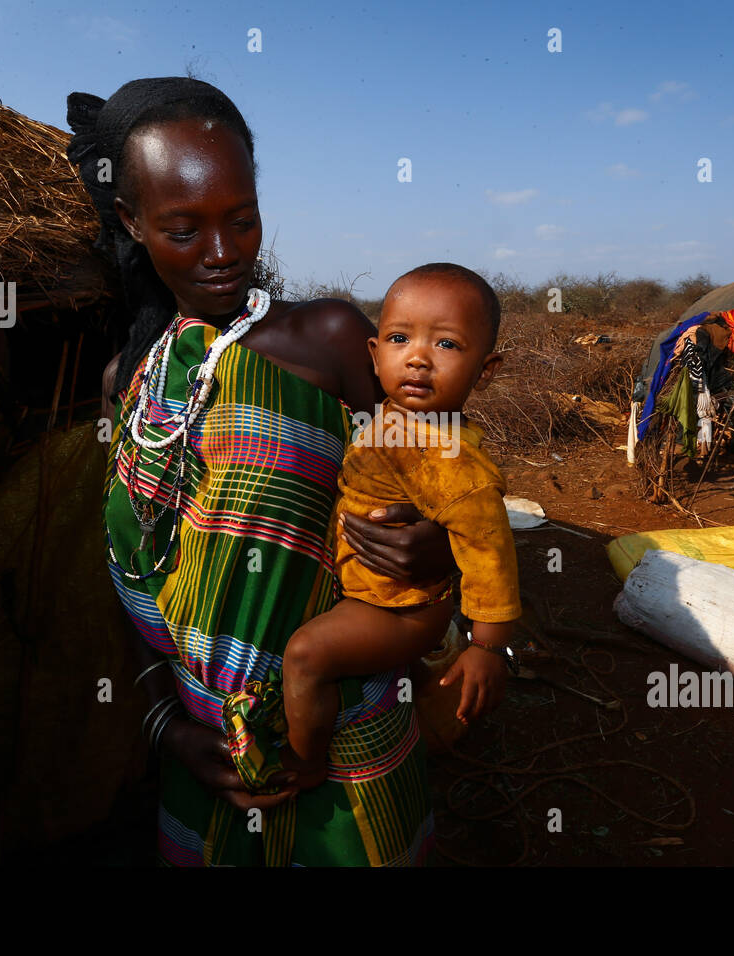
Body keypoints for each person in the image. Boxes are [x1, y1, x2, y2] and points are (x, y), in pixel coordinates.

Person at [67, 76, 454, 866]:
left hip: (349, 743)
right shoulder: (131, 386)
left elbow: (440, 490)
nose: (223, 253)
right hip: (208, 753)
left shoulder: (333, 341)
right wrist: (167, 727)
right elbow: (131, 574)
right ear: (130, 223)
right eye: (184, 228)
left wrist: (439, 550)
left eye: (242, 221)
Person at [281, 264, 522, 791]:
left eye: (448, 345)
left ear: (486, 368)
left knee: (305, 657)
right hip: (371, 587)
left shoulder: (456, 462)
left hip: (399, 610)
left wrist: (488, 649)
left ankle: (304, 766)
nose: (417, 357)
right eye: (399, 338)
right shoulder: (391, 417)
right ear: (374, 354)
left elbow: (492, 558)